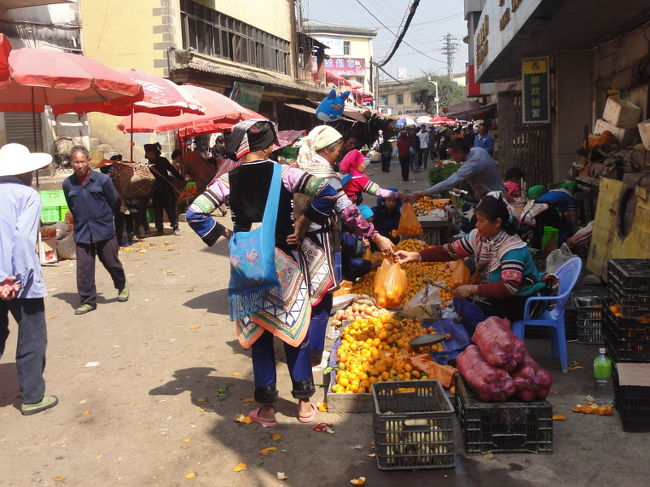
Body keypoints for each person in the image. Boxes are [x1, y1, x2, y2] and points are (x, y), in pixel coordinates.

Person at [186, 120, 391, 426]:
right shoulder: (286, 173)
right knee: (295, 330)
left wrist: (226, 234)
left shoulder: (227, 180)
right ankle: (305, 404)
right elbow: (327, 192)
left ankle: (267, 409)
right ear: (269, 145)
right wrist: (304, 219)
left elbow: (194, 212)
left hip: (249, 264)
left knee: (260, 335)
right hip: (285, 262)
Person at [295, 125, 395, 366]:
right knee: (321, 300)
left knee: (303, 297)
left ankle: (300, 346)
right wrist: (376, 237)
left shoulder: (296, 170)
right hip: (319, 243)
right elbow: (348, 211)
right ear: (326, 150)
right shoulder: (326, 177)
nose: (339, 155)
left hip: (296, 243)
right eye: (338, 150)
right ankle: (313, 356)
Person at [396, 192, 544, 332]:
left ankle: (488, 342)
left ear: (497, 222)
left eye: (481, 221)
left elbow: (509, 287)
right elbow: (450, 251)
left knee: (469, 310)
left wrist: (472, 289)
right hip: (498, 297)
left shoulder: (511, 248)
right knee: (460, 303)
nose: (476, 225)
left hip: (521, 300)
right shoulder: (480, 238)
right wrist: (415, 255)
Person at [0, 143, 59, 416]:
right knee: (33, 337)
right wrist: (15, 280)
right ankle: (33, 396)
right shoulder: (28, 195)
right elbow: (23, 240)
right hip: (19, 282)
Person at [63, 146, 129, 315]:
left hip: (103, 229)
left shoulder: (103, 180)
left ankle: (121, 285)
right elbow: (72, 206)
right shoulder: (67, 184)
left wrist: (105, 219)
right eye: (76, 162)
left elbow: (114, 201)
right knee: (84, 268)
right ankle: (87, 300)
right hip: (82, 231)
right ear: (71, 163)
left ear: (88, 161)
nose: (79, 165)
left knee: (111, 262)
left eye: (82, 161)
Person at [410, 138, 505, 204]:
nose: (451, 158)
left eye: (452, 155)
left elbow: (449, 183)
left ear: (460, 152)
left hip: (494, 198)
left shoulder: (472, 165)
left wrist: (423, 193)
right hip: (494, 192)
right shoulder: (478, 150)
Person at [144, 142, 184, 236]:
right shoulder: (146, 163)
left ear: (154, 153)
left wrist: (181, 179)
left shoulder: (163, 160)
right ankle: (159, 229)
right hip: (155, 190)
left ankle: (175, 226)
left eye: (150, 153)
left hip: (166, 188)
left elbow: (172, 170)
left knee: (170, 208)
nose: (148, 155)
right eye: (147, 153)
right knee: (157, 210)